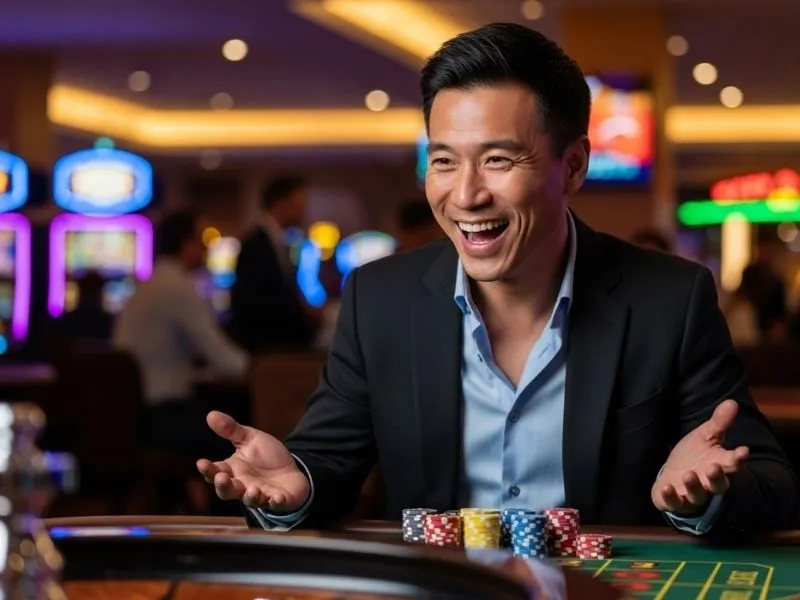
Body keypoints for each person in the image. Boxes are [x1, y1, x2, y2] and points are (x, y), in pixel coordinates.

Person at [198, 23, 798, 534]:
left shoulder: (670, 297)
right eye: (443, 161)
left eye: (499, 160)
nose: (465, 194)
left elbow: (772, 484)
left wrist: (706, 493)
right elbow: (327, 463)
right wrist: (295, 484)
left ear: (574, 165)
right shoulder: (380, 299)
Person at [115, 211, 249, 462]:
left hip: (132, 413)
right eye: (202, 241)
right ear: (187, 244)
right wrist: (265, 370)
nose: (207, 248)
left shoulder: (149, 284)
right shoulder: (177, 287)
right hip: (161, 414)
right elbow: (223, 358)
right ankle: (232, 502)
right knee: (237, 438)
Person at [228, 174, 319, 353]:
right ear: (280, 203)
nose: (304, 211)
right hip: (265, 349)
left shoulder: (280, 242)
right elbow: (253, 303)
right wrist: (302, 313)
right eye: (299, 204)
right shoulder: (255, 244)